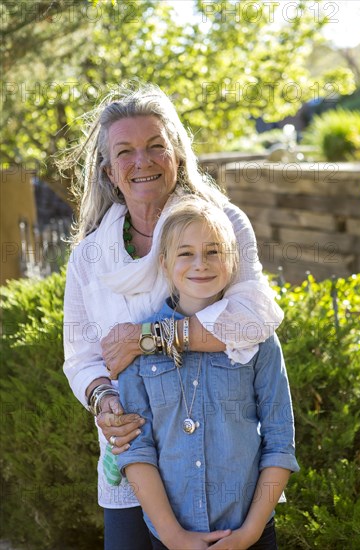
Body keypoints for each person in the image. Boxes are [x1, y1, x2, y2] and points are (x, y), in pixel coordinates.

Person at [62, 81, 285, 550]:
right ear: (108, 171)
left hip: (223, 464)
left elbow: (255, 315)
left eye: (155, 146)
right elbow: (81, 355)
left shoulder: (221, 224)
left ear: (178, 155)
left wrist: (148, 339)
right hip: (134, 456)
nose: (141, 161)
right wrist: (105, 401)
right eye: (125, 152)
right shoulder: (89, 257)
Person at [115, 197, 300, 550]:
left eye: (214, 251)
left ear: (232, 261)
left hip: (250, 533)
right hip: (170, 536)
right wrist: (174, 536)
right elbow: (137, 450)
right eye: (186, 253)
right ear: (165, 263)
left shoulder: (258, 339)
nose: (201, 264)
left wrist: (249, 533)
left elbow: (280, 442)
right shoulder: (139, 343)